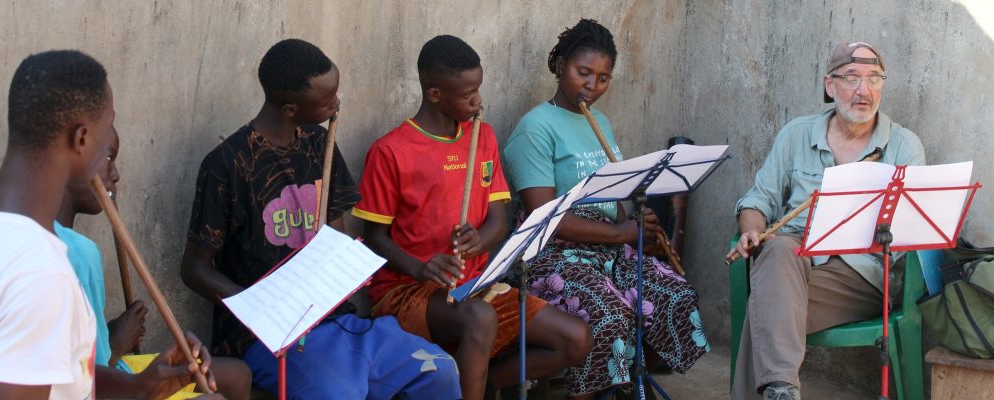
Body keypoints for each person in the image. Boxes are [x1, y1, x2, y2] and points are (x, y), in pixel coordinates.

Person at [180, 38, 462, 400]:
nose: (337, 103)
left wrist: (345, 263)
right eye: (327, 100)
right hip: (266, 337)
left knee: (438, 369)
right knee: (338, 393)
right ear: (290, 108)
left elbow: (334, 234)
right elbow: (193, 269)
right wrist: (259, 307)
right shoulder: (228, 164)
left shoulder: (319, 142)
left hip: (335, 319)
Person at [355, 35, 592, 400]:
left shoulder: (482, 137)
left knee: (576, 339)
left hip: (475, 287)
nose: (478, 100)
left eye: (478, 89)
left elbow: (498, 219)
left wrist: (479, 240)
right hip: (407, 291)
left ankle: (484, 381)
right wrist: (421, 268)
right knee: (479, 318)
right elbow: (374, 237)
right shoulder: (391, 150)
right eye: (468, 94)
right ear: (435, 94)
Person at [502, 19, 710, 399]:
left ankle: (626, 384)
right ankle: (593, 392)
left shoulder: (600, 122)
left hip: (608, 248)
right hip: (552, 254)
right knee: (610, 314)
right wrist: (620, 233)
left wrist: (637, 225)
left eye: (603, 78)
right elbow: (545, 216)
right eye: (583, 73)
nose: (592, 86)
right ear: (561, 65)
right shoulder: (535, 128)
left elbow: (614, 197)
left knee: (674, 294)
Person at [0, 50, 215, 400]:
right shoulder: (40, 275)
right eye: (106, 127)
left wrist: (140, 388)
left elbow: (61, 379)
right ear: (82, 139)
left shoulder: (12, 241)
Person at [727, 41, 926, 399]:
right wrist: (752, 229)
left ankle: (779, 388)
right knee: (775, 251)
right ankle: (782, 389)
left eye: (874, 79)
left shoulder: (903, 146)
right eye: (851, 78)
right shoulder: (796, 134)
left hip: (860, 275)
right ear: (829, 85)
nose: (864, 91)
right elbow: (758, 200)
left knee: (767, 314)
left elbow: (912, 232)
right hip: (792, 262)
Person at [56, 125, 252, 399]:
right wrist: (115, 344)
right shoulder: (77, 253)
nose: (116, 175)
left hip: (101, 375)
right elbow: (88, 381)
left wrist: (112, 336)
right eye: (109, 158)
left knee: (235, 374)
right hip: (98, 385)